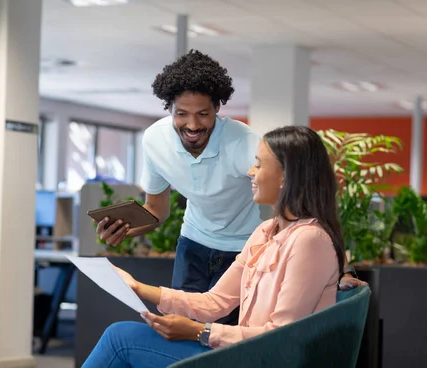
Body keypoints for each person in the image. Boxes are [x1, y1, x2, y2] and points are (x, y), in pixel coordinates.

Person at [95, 51, 364, 324]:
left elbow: (306, 190)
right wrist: (126, 228)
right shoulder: (154, 140)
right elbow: (155, 210)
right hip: (193, 243)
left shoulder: (244, 144)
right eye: (182, 114)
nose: (192, 124)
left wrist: (341, 266)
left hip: (243, 247)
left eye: (203, 114)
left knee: (225, 339)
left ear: (217, 109)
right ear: (169, 109)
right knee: (179, 328)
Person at [83, 125, 352, 368]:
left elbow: (281, 335)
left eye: (259, 164)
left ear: (286, 176)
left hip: (264, 360)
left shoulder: (309, 240)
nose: (250, 171)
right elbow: (215, 302)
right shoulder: (265, 232)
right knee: (122, 335)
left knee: (121, 339)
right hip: (247, 354)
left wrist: (199, 332)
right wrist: (137, 287)